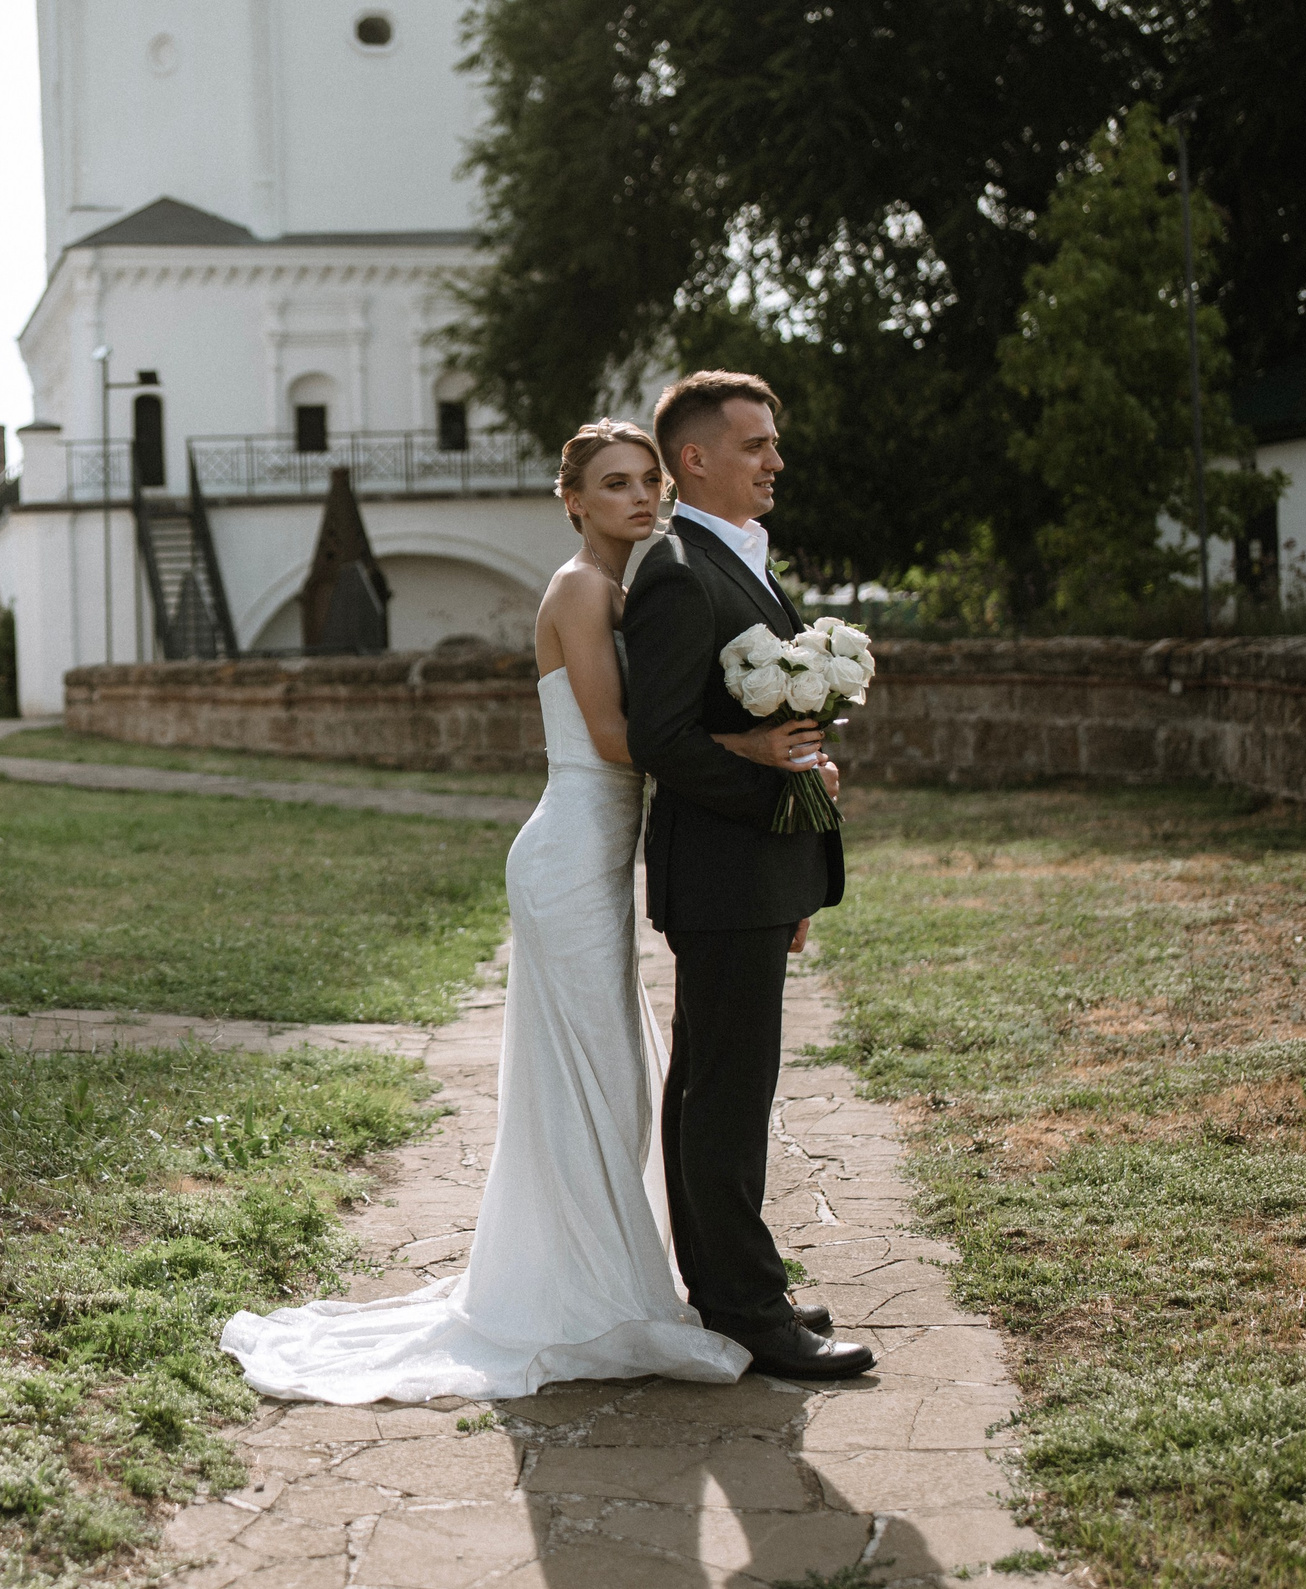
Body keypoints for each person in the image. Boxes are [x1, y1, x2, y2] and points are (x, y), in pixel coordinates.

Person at [222, 420, 761, 1403]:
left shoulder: (626, 588)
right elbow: (610, 734)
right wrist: (734, 752)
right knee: (594, 1075)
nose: (639, 496)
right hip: (566, 854)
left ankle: (604, 1273)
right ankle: (589, 1297)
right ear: (573, 499)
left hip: (593, 859)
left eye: (647, 479)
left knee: (609, 1074)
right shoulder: (582, 588)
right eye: (614, 483)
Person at [626, 371, 874, 1380]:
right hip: (722, 869)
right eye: (755, 444)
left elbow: (755, 725)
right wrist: (767, 771)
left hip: (754, 868)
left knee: (710, 1083)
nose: (774, 460)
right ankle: (746, 1306)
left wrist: (803, 767)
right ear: (694, 458)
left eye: (773, 443)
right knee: (729, 1090)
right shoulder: (680, 570)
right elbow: (665, 740)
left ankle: (730, 1284)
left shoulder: (742, 561)